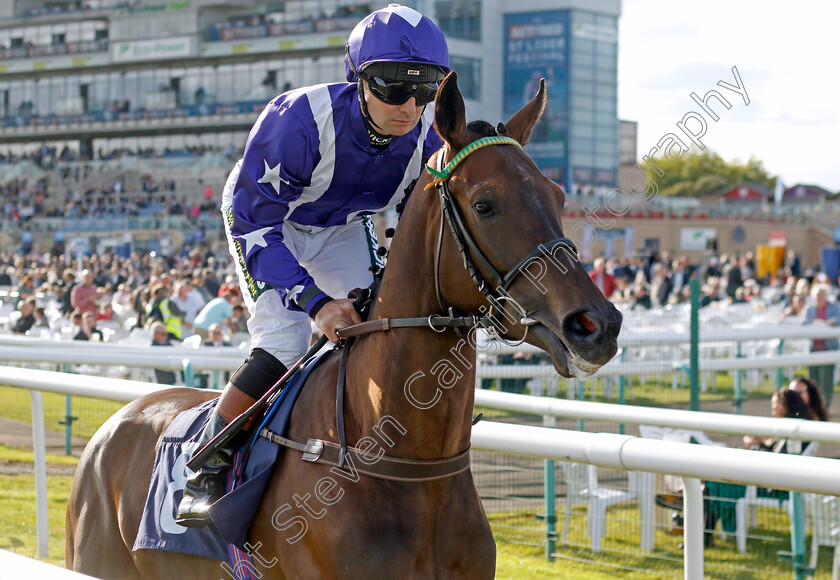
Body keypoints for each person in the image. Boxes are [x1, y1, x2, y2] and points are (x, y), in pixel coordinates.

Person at [176, 4, 450, 526]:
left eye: (427, 88)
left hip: (341, 226)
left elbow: (417, 224)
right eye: (393, 87)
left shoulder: (429, 140)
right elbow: (257, 225)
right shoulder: (297, 120)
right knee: (284, 340)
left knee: (373, 328)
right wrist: (317, 303)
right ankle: (207, 464)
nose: (411, 106)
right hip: (266, 223)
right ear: (359, 78)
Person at [802, 283, 840, 407]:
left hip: (828, 349)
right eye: (818, 296)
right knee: (813, 381)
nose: (820, 298)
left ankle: (825, 407)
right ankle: (814, 407)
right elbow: (804, 324)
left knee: (826, 381)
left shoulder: (834, 307)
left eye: (822, 295)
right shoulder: (809, 309)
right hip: (814, 349)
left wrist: (833, 322)